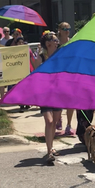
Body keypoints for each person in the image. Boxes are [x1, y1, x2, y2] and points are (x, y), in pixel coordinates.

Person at [36, 32, 63, 163]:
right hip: (44, 93)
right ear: (48, 44)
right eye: (55, 40)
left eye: (57, 40)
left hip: (58, 92)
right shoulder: (41, 57)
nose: (57, 42)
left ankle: (51, 147)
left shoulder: (60, 56)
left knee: (55, 121)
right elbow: (35, 72)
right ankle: (49, 151)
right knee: (49, 121)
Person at [58, 22, 75, 135]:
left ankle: (69, 125)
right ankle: (58, 118)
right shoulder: (55, 42)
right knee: (58, 100)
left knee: (70, 101)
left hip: (70, 74)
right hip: (58, 74)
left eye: (68, 28)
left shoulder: (72, 41)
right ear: (59, 30)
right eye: (64, 28)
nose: (67, 30)